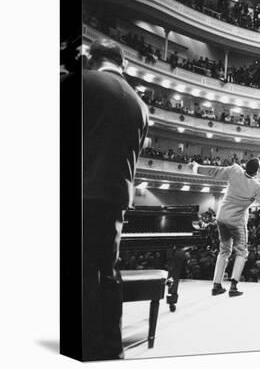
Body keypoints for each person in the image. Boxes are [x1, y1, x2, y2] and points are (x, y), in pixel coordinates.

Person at [63, 38, 149, 360]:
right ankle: (110, 346)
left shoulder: (86, 81)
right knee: (106, 271)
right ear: (121, 65)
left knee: (81, 271)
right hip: (115, 199)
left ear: (92, 59)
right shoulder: (140, 105)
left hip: (83, 189)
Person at [187, 157, 260, 297]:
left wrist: (196, 167)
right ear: (257, 171)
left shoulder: (234, 170)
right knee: (242, 252)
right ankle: (233, 286)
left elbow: (215, 171)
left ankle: (216, 285)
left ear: (245, 166)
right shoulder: (256, 187)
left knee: (224, 251)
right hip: (236, 222)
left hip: (222, 217)